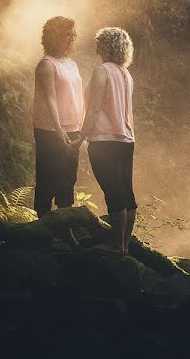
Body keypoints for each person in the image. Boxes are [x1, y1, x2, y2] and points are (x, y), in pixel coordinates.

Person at [71, 27, 136, 254]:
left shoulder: (102, 71)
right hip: (126, 138)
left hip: (104, 139)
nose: (96, 47)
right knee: (126, 190)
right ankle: (124, 245)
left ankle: (116, 245)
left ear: (107, 46)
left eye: (99, 43)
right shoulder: (125, 74)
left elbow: (94, 109)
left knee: (113, 190)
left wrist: (80, 138)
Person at [32, 16, 84, 217]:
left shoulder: (71, 63)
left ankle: (65, 231)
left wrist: (82, 128)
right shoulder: (46, 65)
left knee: (68, 179)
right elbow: (50, 99)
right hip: (49, 130)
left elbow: (78, 96)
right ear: (54, 36)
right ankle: (43, 232)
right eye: (67, 34)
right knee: (47, 177)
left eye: (73, 34)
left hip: (73, 129)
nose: (71, 38)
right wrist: (58, 129)